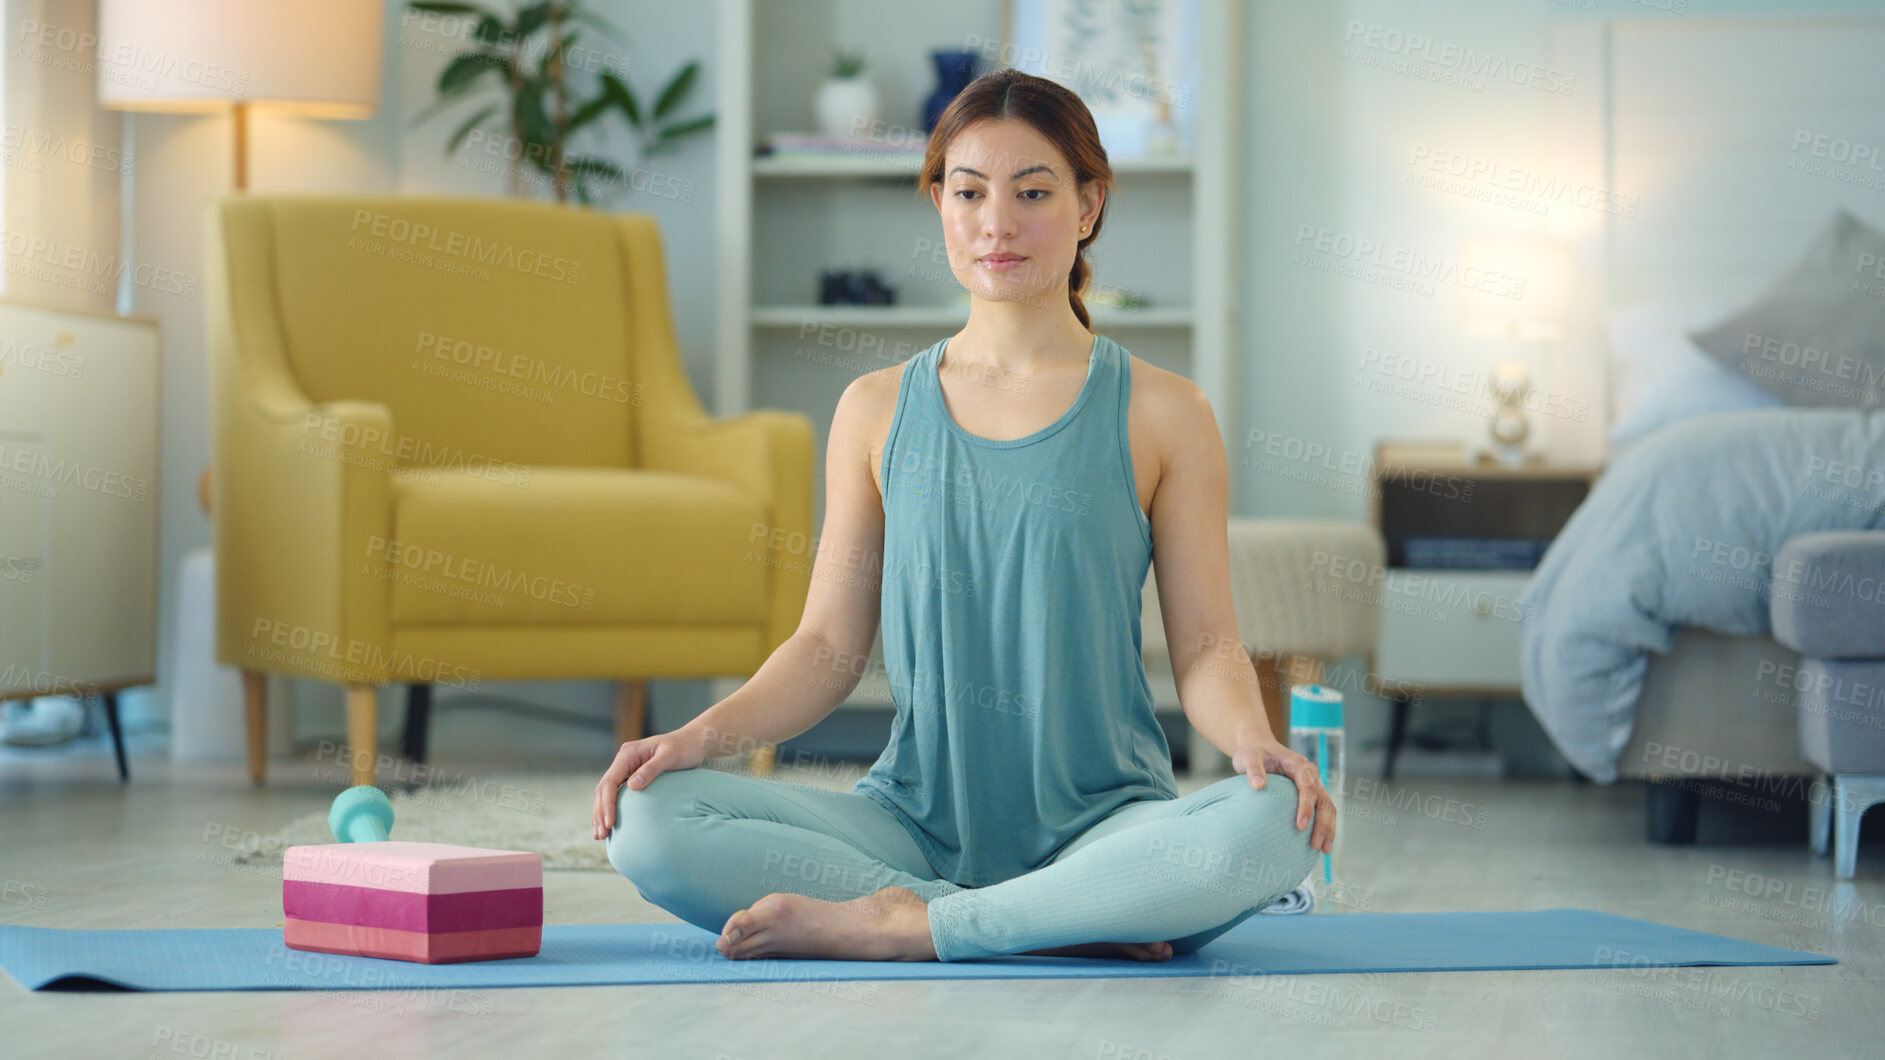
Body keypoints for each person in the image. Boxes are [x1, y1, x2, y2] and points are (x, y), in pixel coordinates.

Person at [592, 68, 1335, 963]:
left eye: (1033, 192)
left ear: (1089, 203)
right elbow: (828, 649)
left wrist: (1257, 743)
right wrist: (694, 737)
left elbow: (1206, 647)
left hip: (1107, 822)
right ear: (938, 203)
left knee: (1274, 824)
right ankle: (1068, 918)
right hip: (908, 825)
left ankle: (919, 923)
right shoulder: (872, 408)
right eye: (969, 192)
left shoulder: (1165, 411)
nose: (997, 224)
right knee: (650, 818)